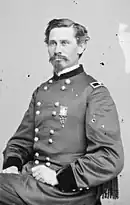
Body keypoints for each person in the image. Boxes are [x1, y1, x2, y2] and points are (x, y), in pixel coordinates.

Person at [0, 18, 124, 205]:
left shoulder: (94, 93)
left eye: (65, 43)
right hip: (35, 181)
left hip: (67, 190)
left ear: (81, 47)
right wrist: (11, 166)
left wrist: (59, 177)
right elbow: (21, 140)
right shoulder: (42, 91)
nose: (57, 50)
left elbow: (110, 156)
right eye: (53, 43)